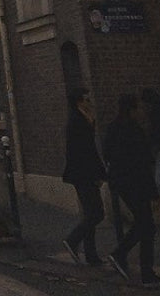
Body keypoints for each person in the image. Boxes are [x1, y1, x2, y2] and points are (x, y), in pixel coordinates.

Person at [104, 93, 160, 287]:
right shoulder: (135, 130)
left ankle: (124, 257)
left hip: (121, 183)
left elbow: (106, 153)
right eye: (137, 108)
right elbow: (143, 164)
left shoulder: (113, 128)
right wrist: (154, 193)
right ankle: (142, 270)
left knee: (143, 224)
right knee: (147, 225)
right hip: (137, 184)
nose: (140, 112)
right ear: (132, 109)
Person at [61, 88, 106, 265]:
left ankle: (91, 254)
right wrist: (99, 172)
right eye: (87, 99)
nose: (90, 101)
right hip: (83, 175)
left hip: (84, 174)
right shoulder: (77, 122)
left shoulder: (83, 118)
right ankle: (72, 240)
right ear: (79, 102)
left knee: (90, 213)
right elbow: (86, 151)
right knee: (97, 213)